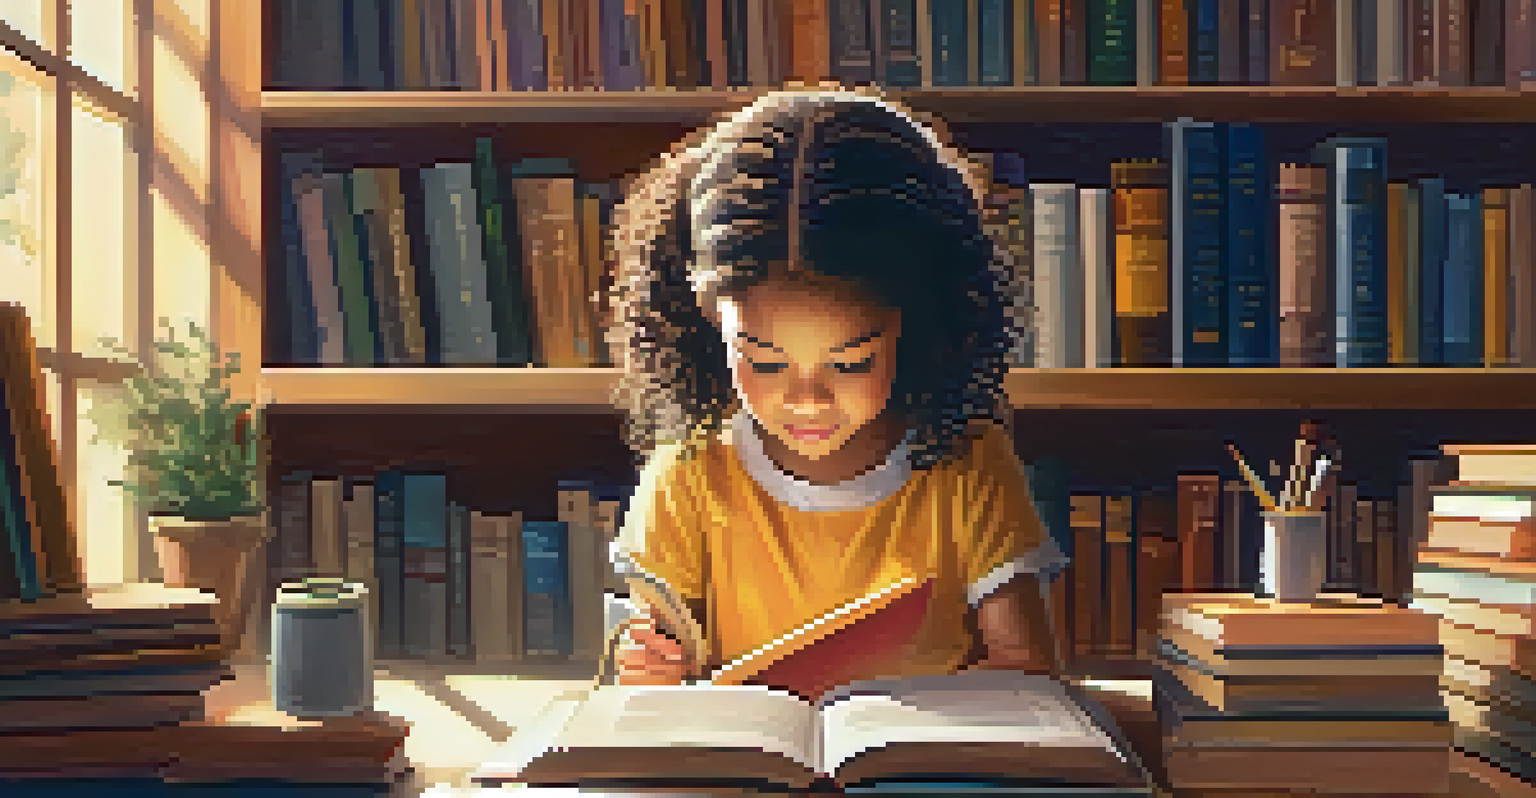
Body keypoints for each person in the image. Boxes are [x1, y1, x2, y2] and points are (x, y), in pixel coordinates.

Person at [602, 87, 1068, 691]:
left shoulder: (965, 463)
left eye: (850, 364)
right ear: (709, 321)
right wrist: (645, 664)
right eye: (764, 362)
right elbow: (644, 666)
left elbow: (1028, 669)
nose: (807, 399)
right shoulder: (689, 474)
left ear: (917, 322)